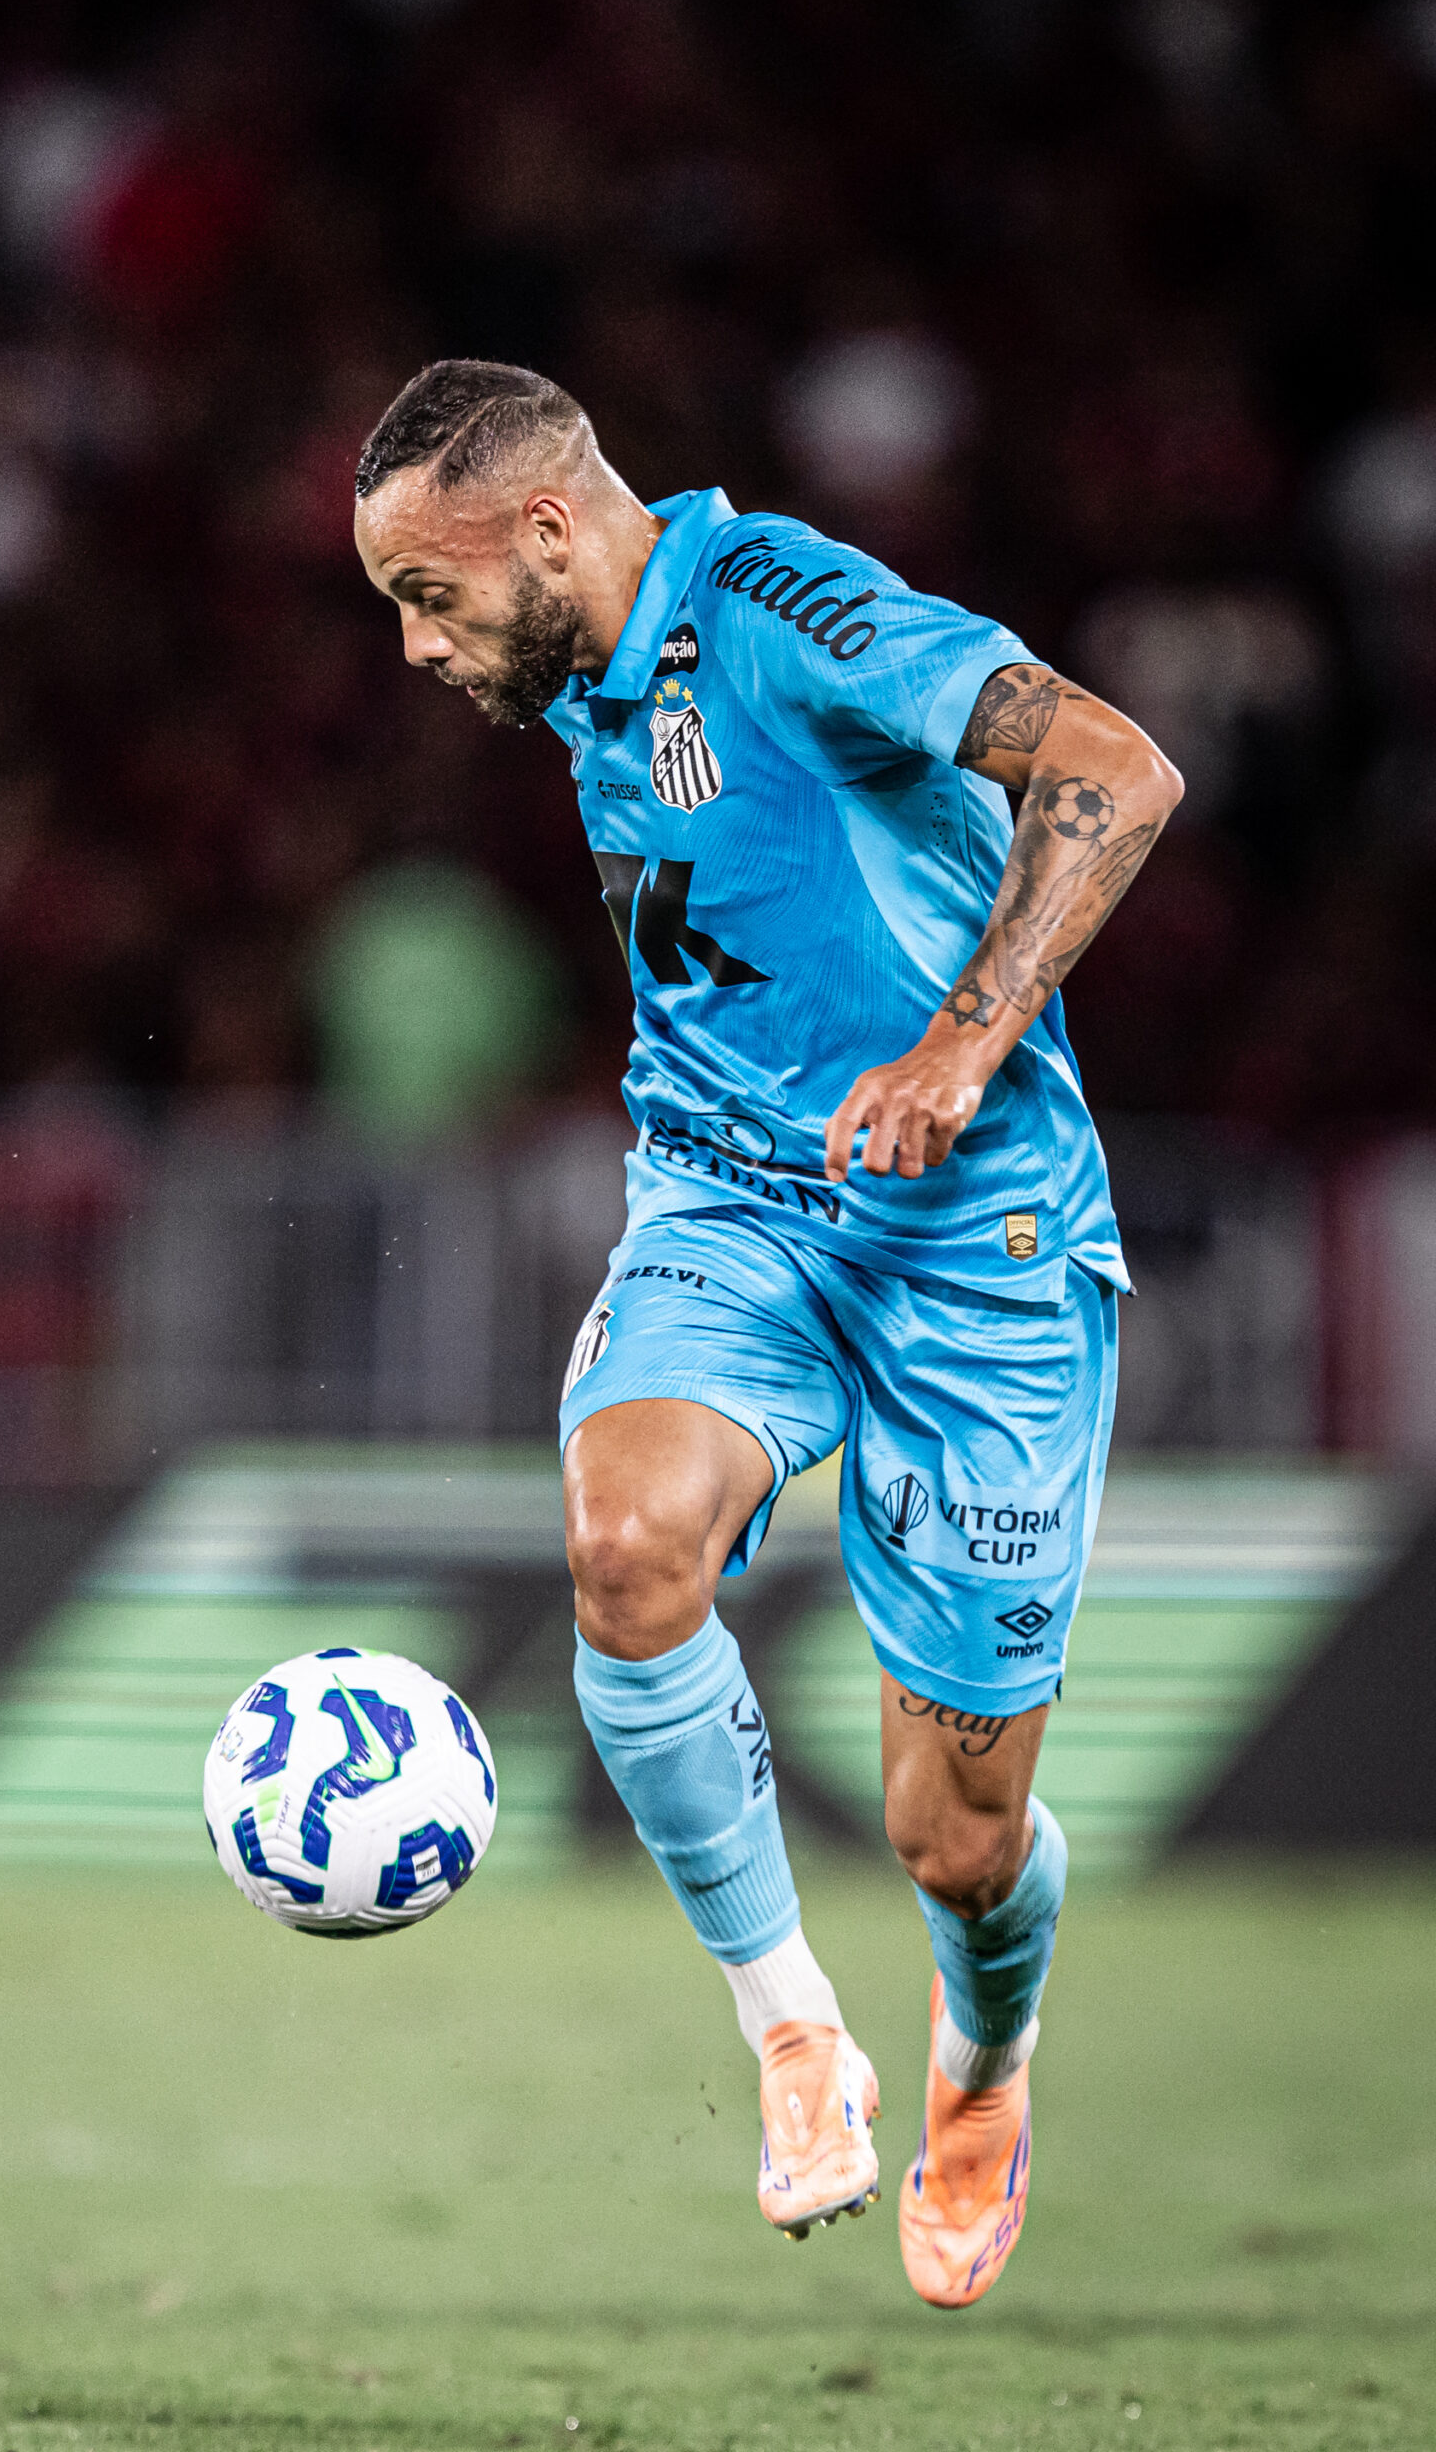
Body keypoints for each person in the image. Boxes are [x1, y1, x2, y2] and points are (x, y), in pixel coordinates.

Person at [351, 360, 1181, 2308]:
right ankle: (796, 2032)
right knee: (624, 1543)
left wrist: (960, 1045)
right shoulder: (577, 669)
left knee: (952, 1835)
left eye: (430, 594)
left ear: (548, 530)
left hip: (974, 1249)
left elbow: (1117, 767)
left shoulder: (788, 612)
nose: (415, 647)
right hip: (731, 1209)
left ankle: (985, 2060)